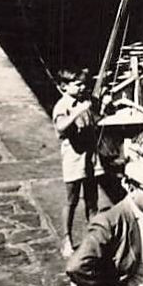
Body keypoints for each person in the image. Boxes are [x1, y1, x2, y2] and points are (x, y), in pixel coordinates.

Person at [53, 70, 123, 258]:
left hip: (90, 159)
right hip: (73, 159)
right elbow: (60, 126)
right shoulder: (63, 106)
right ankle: (67, 238)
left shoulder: (86, 101)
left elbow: (99, 120)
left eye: (83, 84)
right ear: (64, 87)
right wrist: (77, 111)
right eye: (77, 84)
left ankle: (93, 235)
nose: (82, 87)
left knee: (92, 200)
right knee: (72, 200)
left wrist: (106, 107)